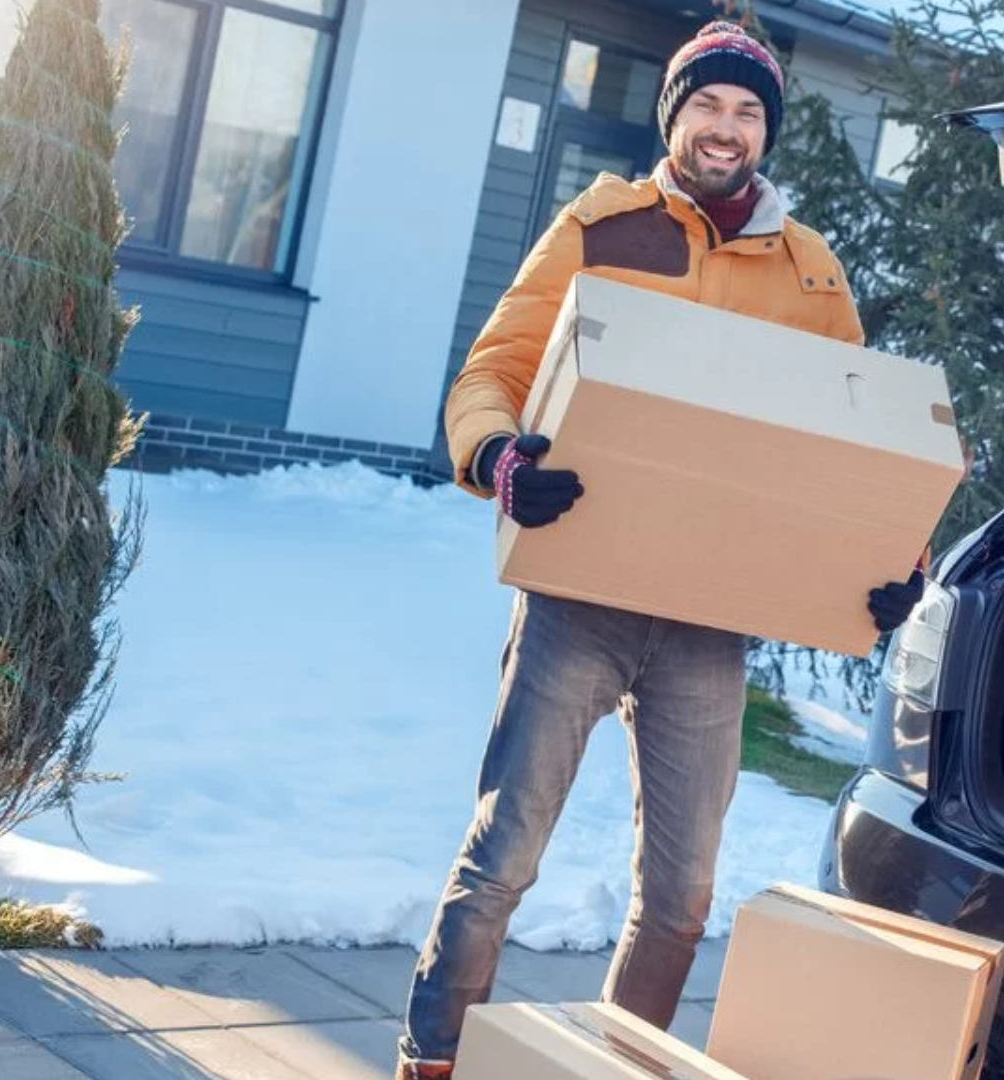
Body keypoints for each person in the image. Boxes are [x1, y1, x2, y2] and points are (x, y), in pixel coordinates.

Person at [397, 21, 924, 1079]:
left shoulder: (810, 269)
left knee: (683, 899)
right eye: (708, 106)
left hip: (706, 618)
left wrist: (882, 555)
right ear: (673, 113)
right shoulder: (601, 223)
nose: (726, 129)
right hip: (578, 593)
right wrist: (499, 459)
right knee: (505, 857)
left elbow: (852, 439)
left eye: (748, 112)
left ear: (764, 131)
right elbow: (488, 374)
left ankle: (615, 1064)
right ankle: (434, 1059)